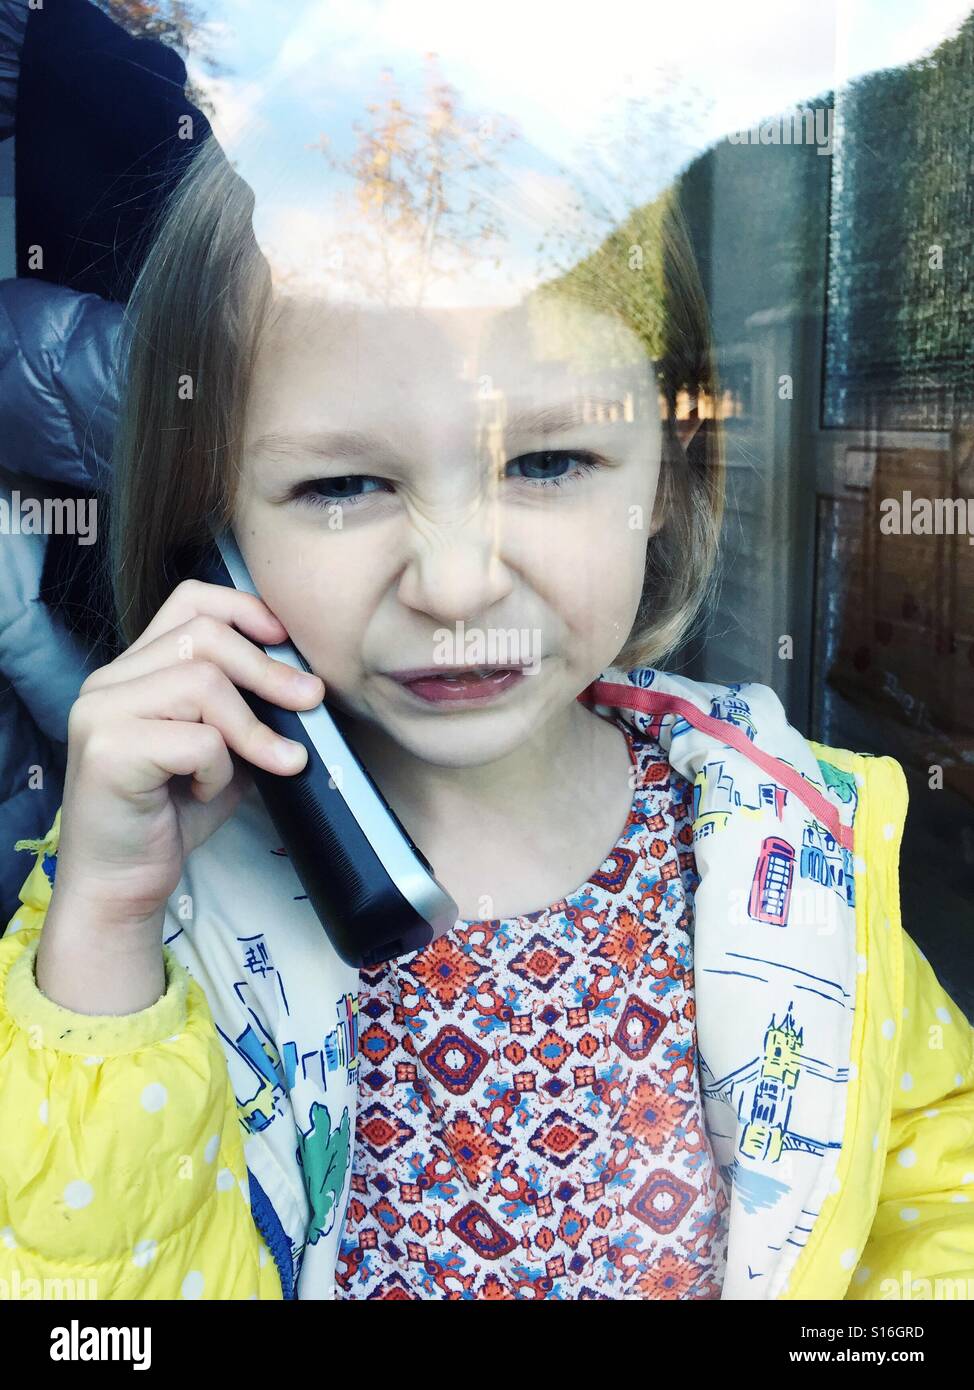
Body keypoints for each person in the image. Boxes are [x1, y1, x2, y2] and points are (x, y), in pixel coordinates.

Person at [1, 134, 971, 1302]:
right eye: (341, 486)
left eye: (550, 461)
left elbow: (933, 1194)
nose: (453, 585)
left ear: (664, 474)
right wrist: (107, 924)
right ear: (217, 538)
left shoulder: (785, 830)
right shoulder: (140, 913)